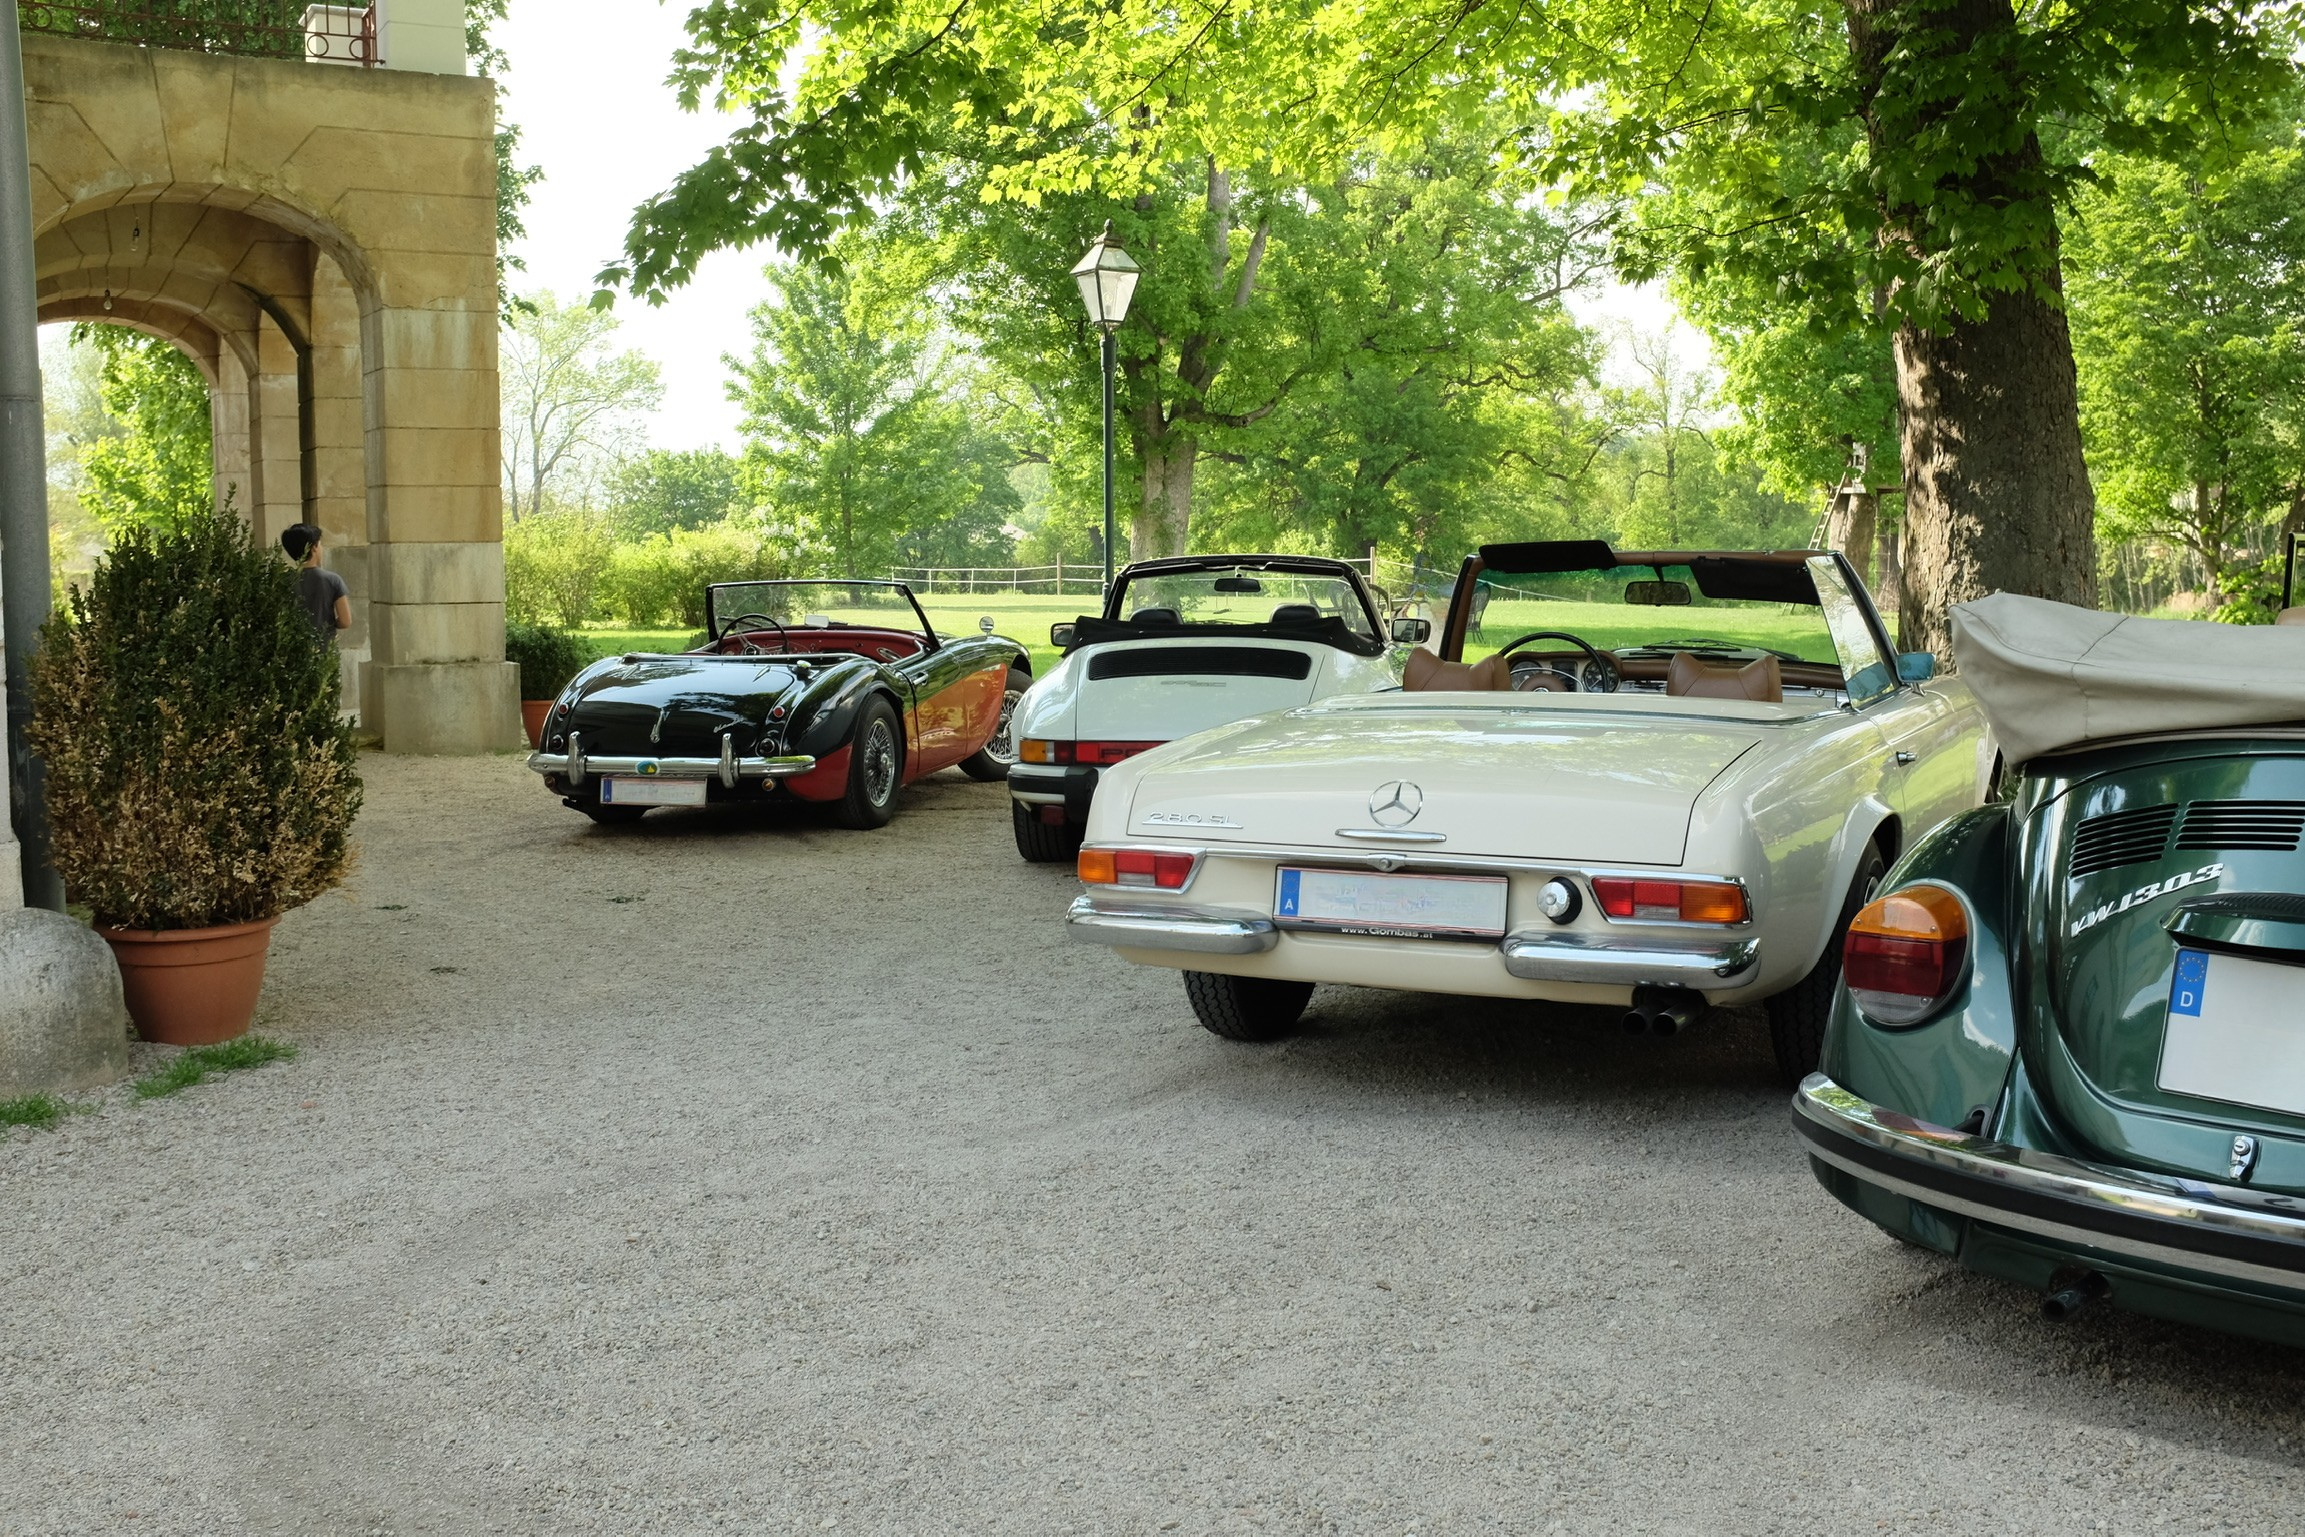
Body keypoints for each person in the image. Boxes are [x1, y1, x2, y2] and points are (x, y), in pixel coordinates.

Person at [281, 523, 350, 646]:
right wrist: (327, 625)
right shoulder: (333, 580)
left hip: (291, 649)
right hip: (324, 649)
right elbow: (345, 621)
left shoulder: (282, 580)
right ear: (314, 547)